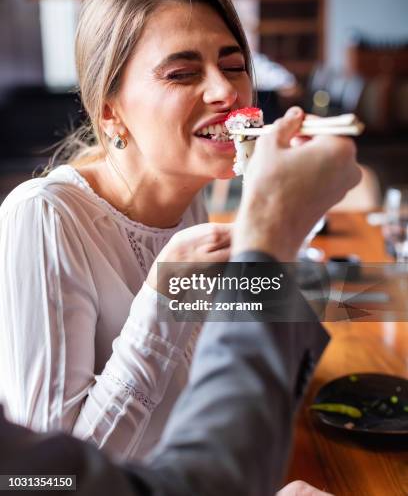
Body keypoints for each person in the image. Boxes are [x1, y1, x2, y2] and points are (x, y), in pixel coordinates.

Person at [0, 110, 360, 495]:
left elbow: (207, 383)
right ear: (110, 112)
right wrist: (165, 299)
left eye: (234, 65)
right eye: (182, 73)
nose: (224, 89)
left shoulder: (186, 201)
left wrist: (280, 239)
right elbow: (52, 485)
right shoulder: (41, 214)